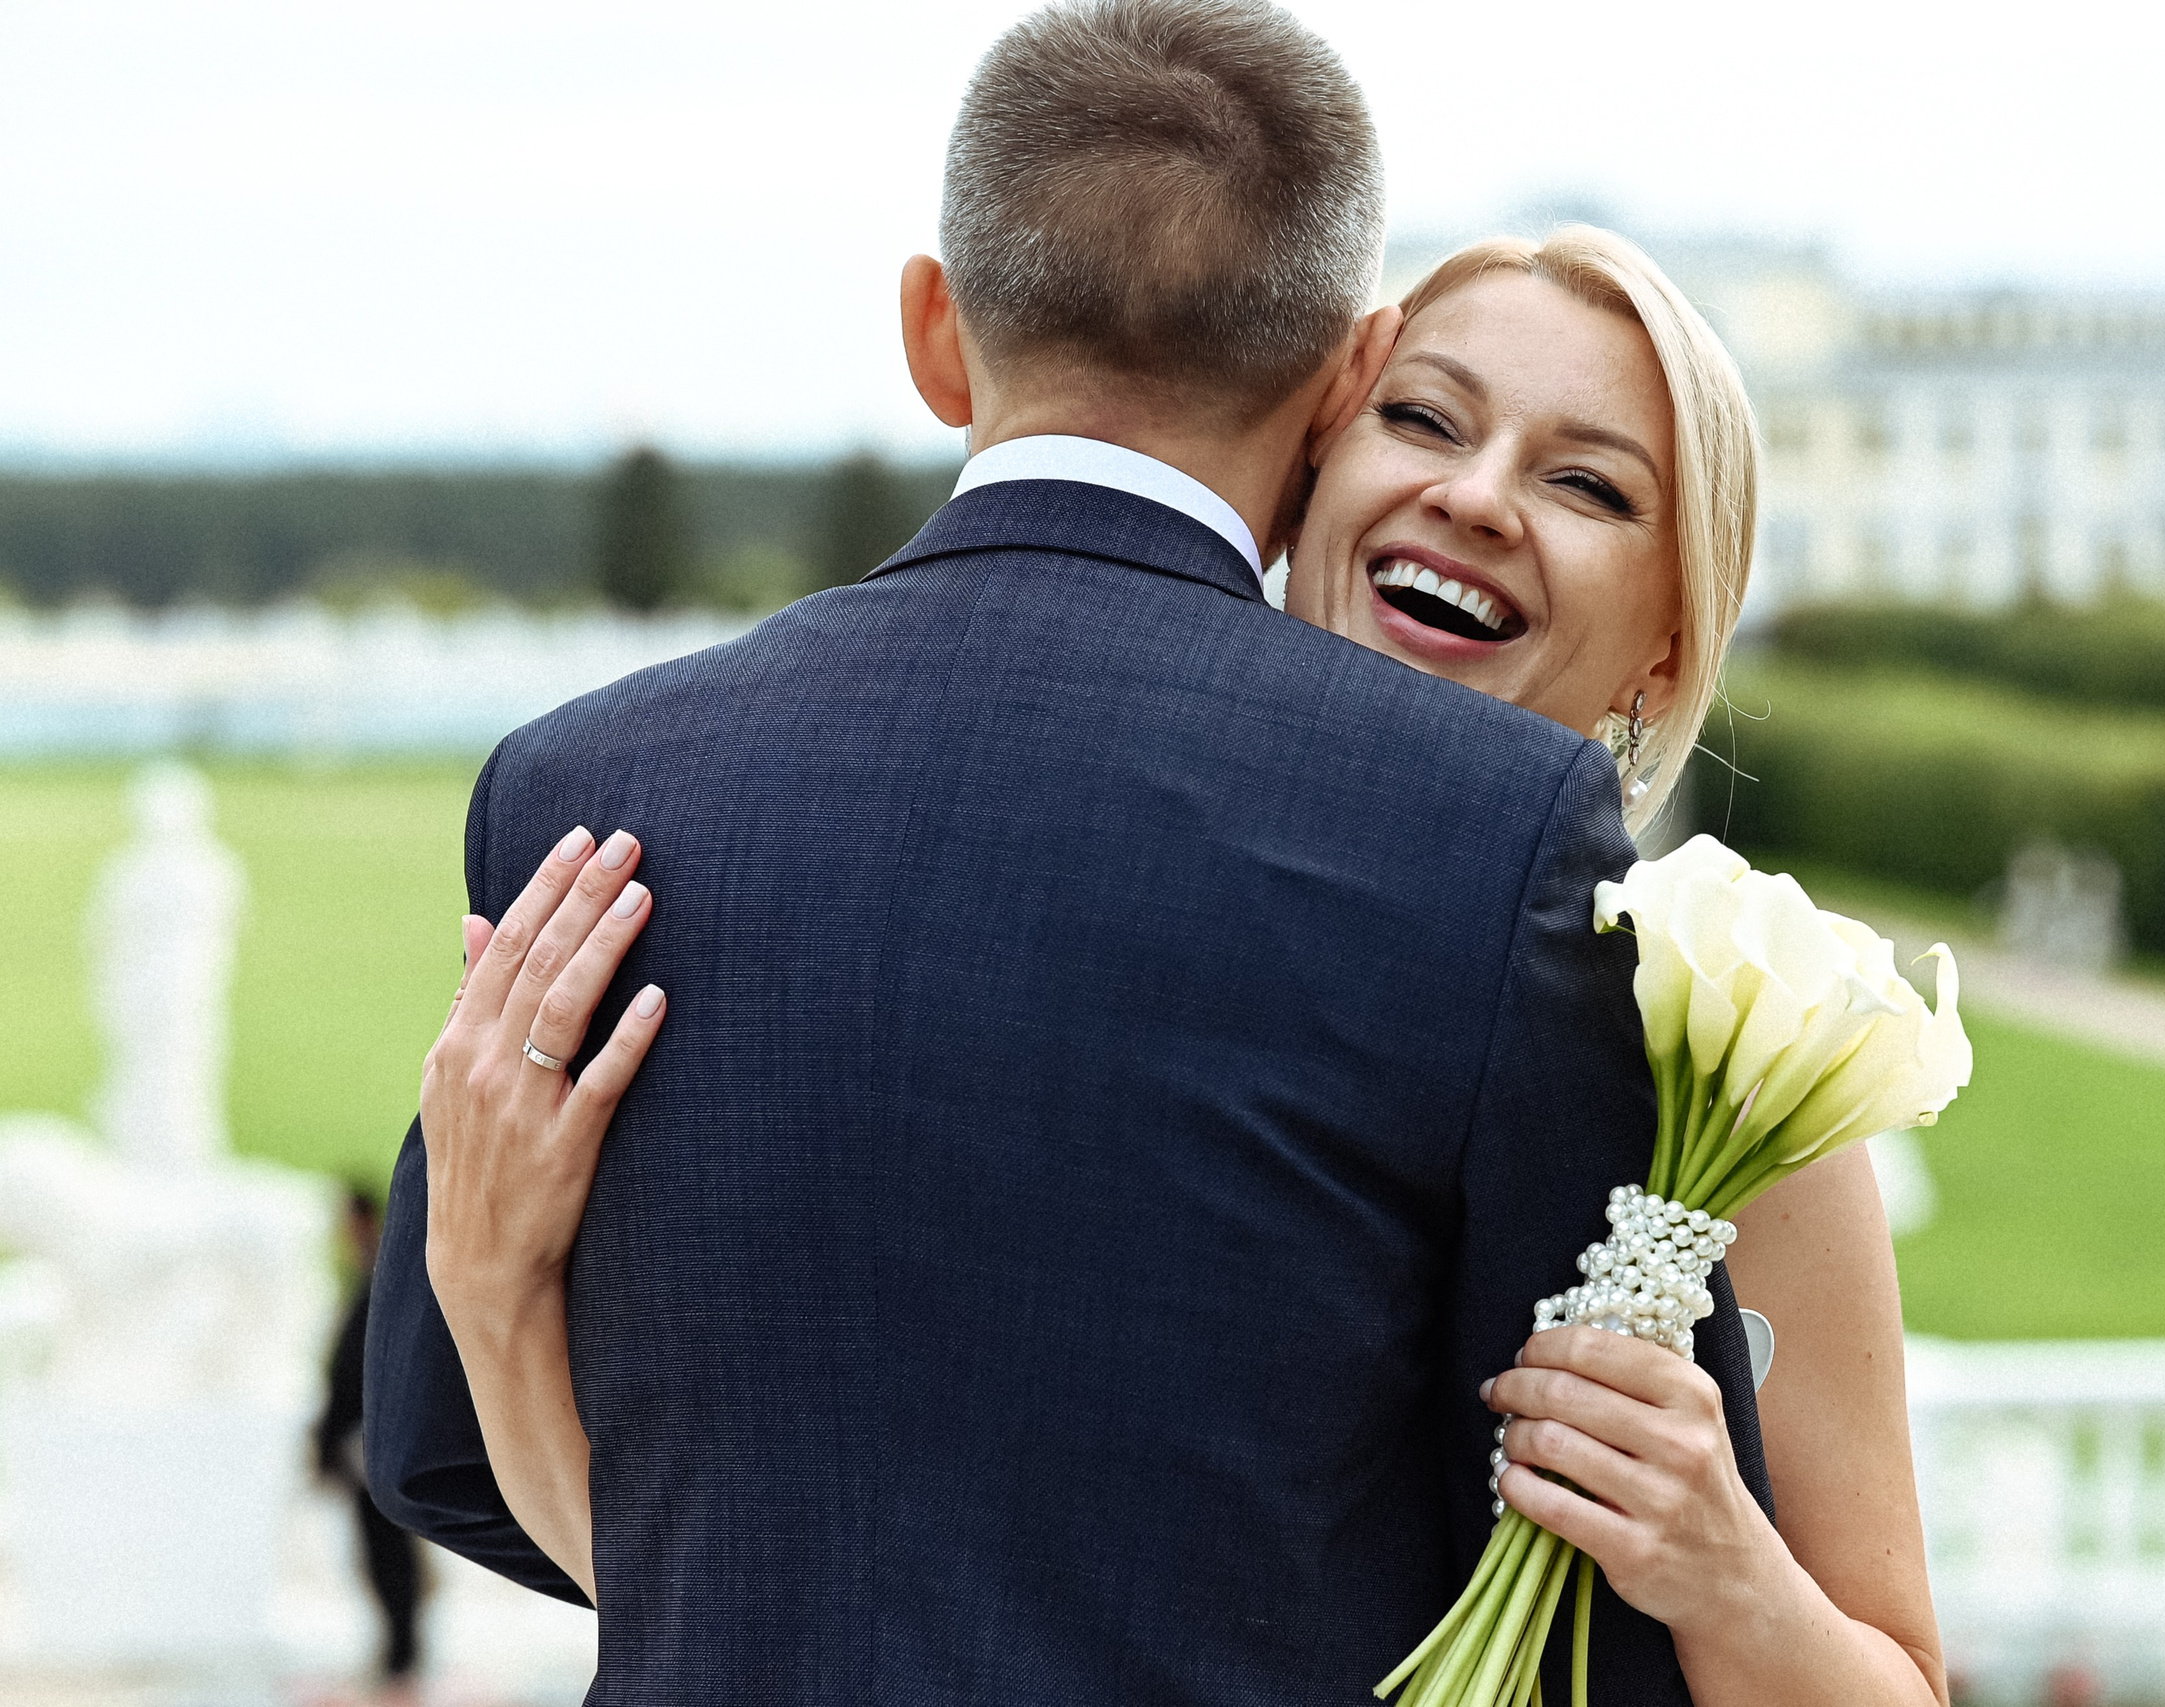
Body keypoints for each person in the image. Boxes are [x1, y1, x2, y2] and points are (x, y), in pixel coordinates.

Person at [369, 3, 1944, 1703]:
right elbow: (780, 1566)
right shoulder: (1407, 842)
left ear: (1671, 636)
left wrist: (1726, 1571)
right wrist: (480, 1272)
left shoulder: (1720, 1044)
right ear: (1333, 411)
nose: (1478, 497)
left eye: (1586, 481)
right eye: (1427, 419)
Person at [315, 1186, 424, 1699]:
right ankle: (398, 1649)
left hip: (371, 1441)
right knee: (381, 1552)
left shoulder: (380, 1280)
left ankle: (403, 1653)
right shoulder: (371, 1277)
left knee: (389, 1553)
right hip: (364, 1441)